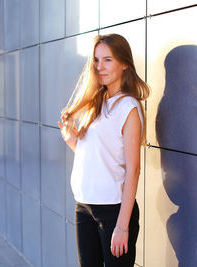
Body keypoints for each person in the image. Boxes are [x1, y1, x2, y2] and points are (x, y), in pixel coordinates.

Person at [58, 33, 149, 267]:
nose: (100, 67)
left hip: (113, 211)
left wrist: (122, 225)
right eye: (96, 60)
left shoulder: (128, 106)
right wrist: (71, 138)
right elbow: (95, 157)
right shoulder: (95, 103)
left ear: (124, 63)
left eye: (107, 60)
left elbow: (134, 170)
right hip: (84, 207)